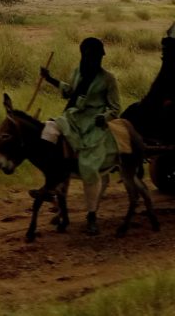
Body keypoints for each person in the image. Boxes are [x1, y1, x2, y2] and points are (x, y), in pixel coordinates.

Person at [40, 37, 120, 235]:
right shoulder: (78, 72)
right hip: (72, 118)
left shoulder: (108, 79)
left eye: (98, 57)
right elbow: (70, 92)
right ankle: (50, 186)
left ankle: (92, 215)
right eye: (91, 56)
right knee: (47, 131)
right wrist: (51, 80)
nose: (95, 60)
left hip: (94, 126)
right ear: (84, 56)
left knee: (89, 167)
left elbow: (115, 107)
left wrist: (104, 117)